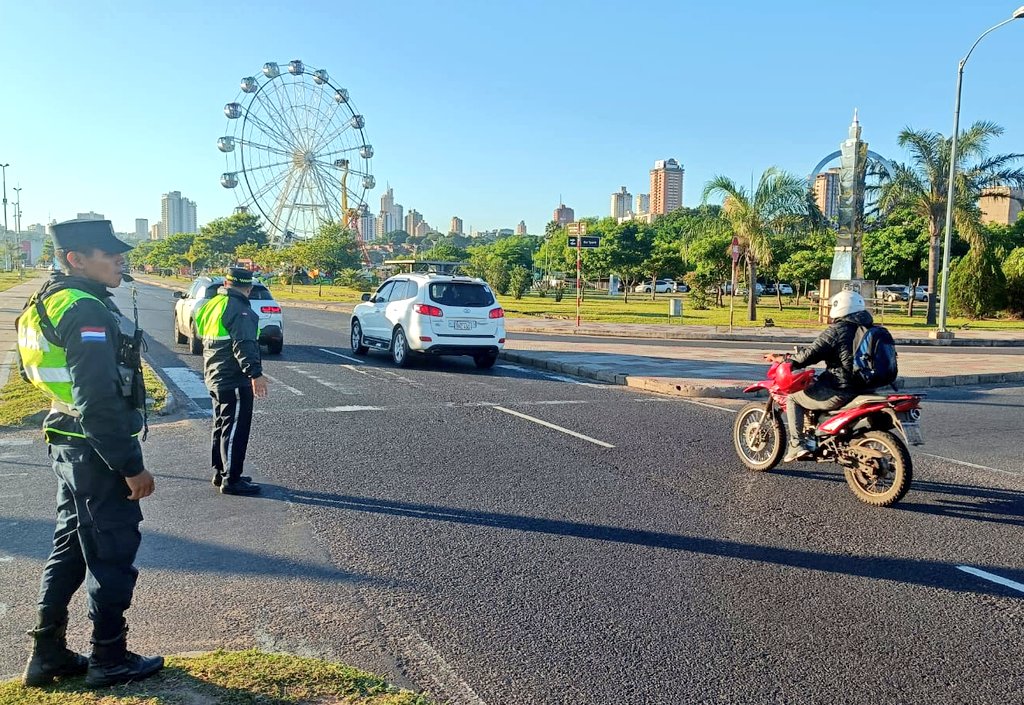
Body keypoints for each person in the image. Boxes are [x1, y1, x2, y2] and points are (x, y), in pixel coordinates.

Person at [16, 219, 164, 688]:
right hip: (95, 449)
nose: (121, 258)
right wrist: (130, 465)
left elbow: (28, 373)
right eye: (109, 252)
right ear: (75, 259)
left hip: (64, 437)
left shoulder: (44, 301)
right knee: (112, 553)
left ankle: (48, 653)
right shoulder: (86, 310)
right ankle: (110, 658)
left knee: (70, 549)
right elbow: (98, 401)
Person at [763, 290, 874, 463]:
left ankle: (796, 445)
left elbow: (809, 354)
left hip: (841, 389)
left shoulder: (837, 330)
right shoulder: (871, 329)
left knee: (793, 398)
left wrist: (785, 359)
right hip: (868, 388)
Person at [194, 267, 269, 495]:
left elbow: (200, 335)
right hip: (233, 377)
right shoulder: (239, 308)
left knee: (221, 424)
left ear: (226, 284)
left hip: (214, 373)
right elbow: (244, 344)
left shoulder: (211, 304)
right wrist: (255, 374)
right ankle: (231, 479)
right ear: (248, 288)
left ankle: (220, 472)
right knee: (235, 426)